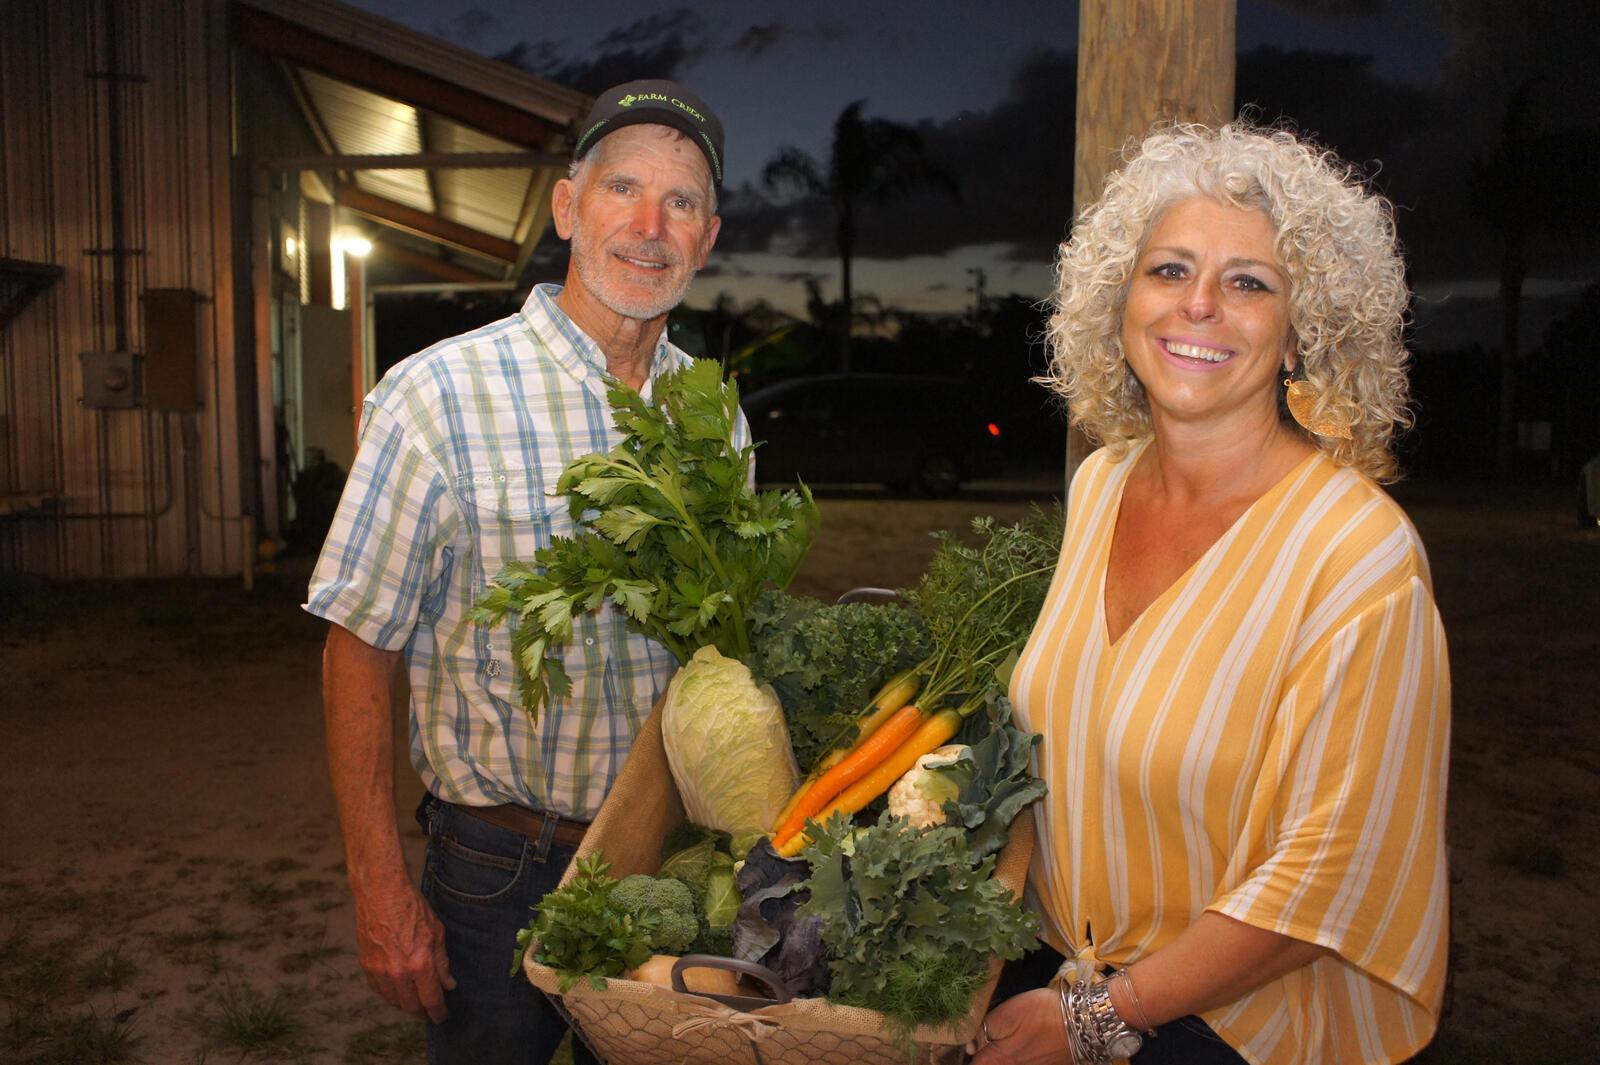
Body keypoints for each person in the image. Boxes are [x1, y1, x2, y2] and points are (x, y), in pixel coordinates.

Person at [972, 123, 1450, 1064]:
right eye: (1170, 270)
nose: (1199, 304)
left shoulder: (1359, 556)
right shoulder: (1101, 484)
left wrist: (1098, 1020)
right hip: (1057, 969)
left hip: (1233, 1023)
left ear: (1301, 333)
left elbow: (1332, 870)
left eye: (1249, 283)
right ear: (1121, 301)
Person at [304, 79, 732, 1065]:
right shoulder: (436, 396)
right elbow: (357, 648)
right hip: (500, 866)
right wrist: (379, 891)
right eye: (622, 188)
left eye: (680, 202)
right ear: (567, 208)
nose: (650, 226)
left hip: (665, 856)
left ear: (707, 238)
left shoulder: (714, 415)